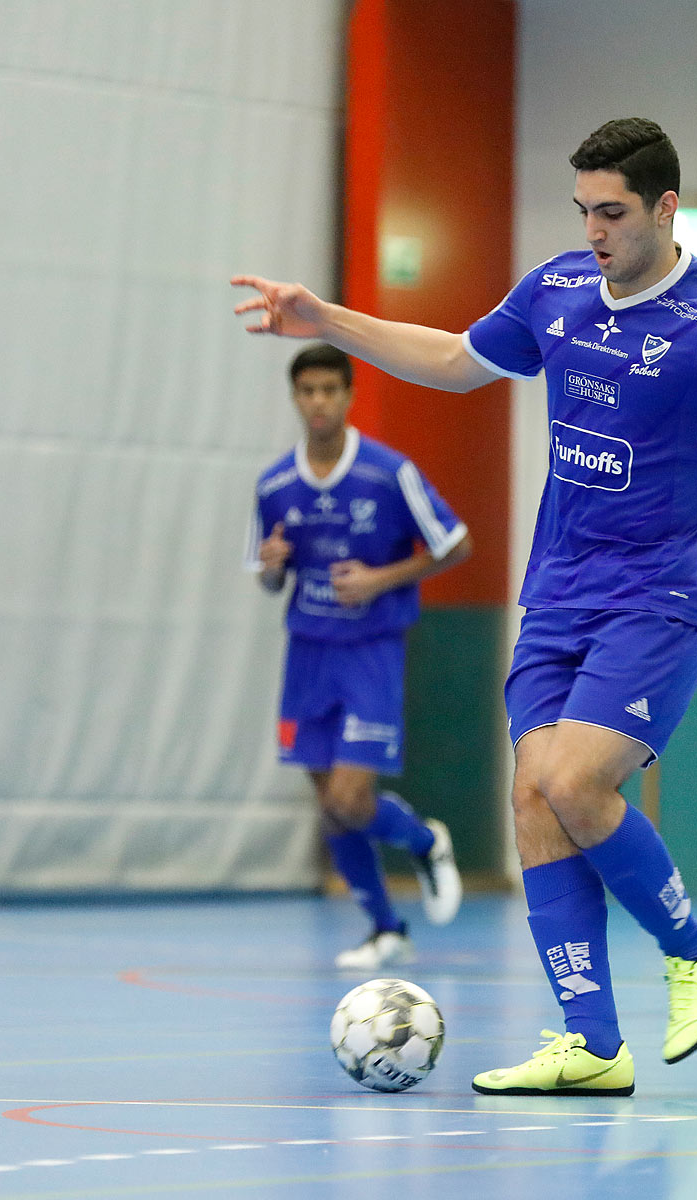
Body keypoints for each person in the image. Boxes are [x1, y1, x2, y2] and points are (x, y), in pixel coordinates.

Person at [234, 118, 697, 1096]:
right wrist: (330, 319)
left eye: (614, 212)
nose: (594, 230)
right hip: (560, 588)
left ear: (665, 209)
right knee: (532, 794)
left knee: (577, 780)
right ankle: (591, 1042)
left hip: (663, 588)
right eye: (584, 211)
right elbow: (457, 358)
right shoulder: (556, 288)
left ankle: (694, 954)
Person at [250, 344, 471, 971]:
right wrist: (271, 569)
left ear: (347, 397)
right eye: (307, 391)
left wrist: (382, 578)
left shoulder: (387, 472)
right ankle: (384, 927)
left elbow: (455, 543)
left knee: (351, 799)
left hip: (372, 650)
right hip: (308, 653)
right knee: (330, 806)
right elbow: (269, 578)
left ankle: (426, 842)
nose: (318, 401)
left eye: (329, 390)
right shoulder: (274, 484)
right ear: (295, 399)